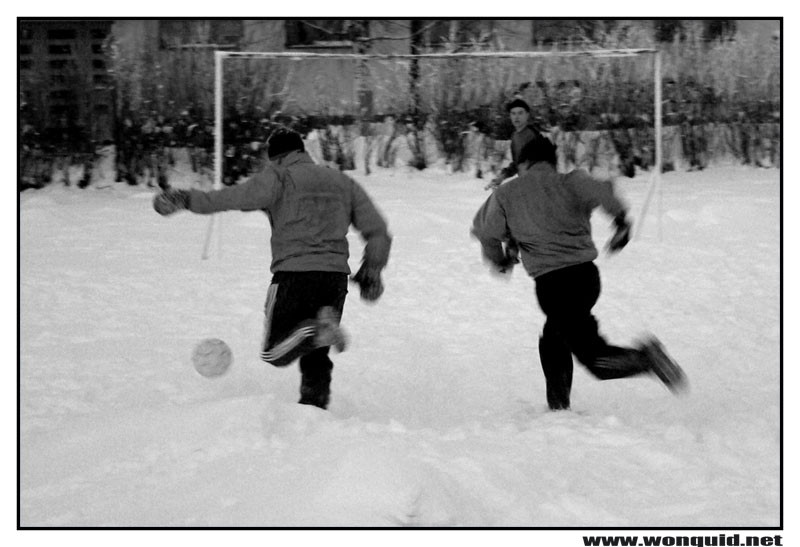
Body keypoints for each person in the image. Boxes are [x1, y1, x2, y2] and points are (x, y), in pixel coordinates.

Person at [153, 128, 392, 410]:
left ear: (275, 157)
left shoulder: (278, 176)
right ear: (302, 151)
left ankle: (314, 331)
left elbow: (233, 197)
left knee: (275, 352)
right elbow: (377, 231)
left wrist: (186, 199)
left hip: (294, 274)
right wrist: (372, 269)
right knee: (315, 354)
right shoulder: (342, 182)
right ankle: (313, 410)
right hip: (333, 279)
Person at [471, 134, 687, 411]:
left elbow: (484, 230)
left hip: (553, 284)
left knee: (595, 359)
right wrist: (620, 221)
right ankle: (558, 406)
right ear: (551, 161)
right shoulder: (570, 181)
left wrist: (499, 259)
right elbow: (603, 192)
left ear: (523, 162)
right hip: (586, 278)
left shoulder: (506, 194)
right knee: (554, 337)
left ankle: (647, 359)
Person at [484, 98, 542, 191]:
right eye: (513, 113)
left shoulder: (533, 135)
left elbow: (541, 166)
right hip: (525, 186)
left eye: (520, 113)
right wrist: (501, 177)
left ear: (527, 115)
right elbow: (517, 164)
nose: (516, 117)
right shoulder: (514, 136)